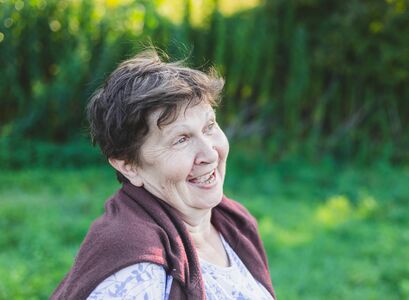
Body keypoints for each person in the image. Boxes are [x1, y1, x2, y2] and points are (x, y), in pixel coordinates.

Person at [51, 50, 275, 300]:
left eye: (209, 126)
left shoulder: (234, 222)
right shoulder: (135, 275)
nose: (209, 154)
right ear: (128, 166)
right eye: (181, 139)